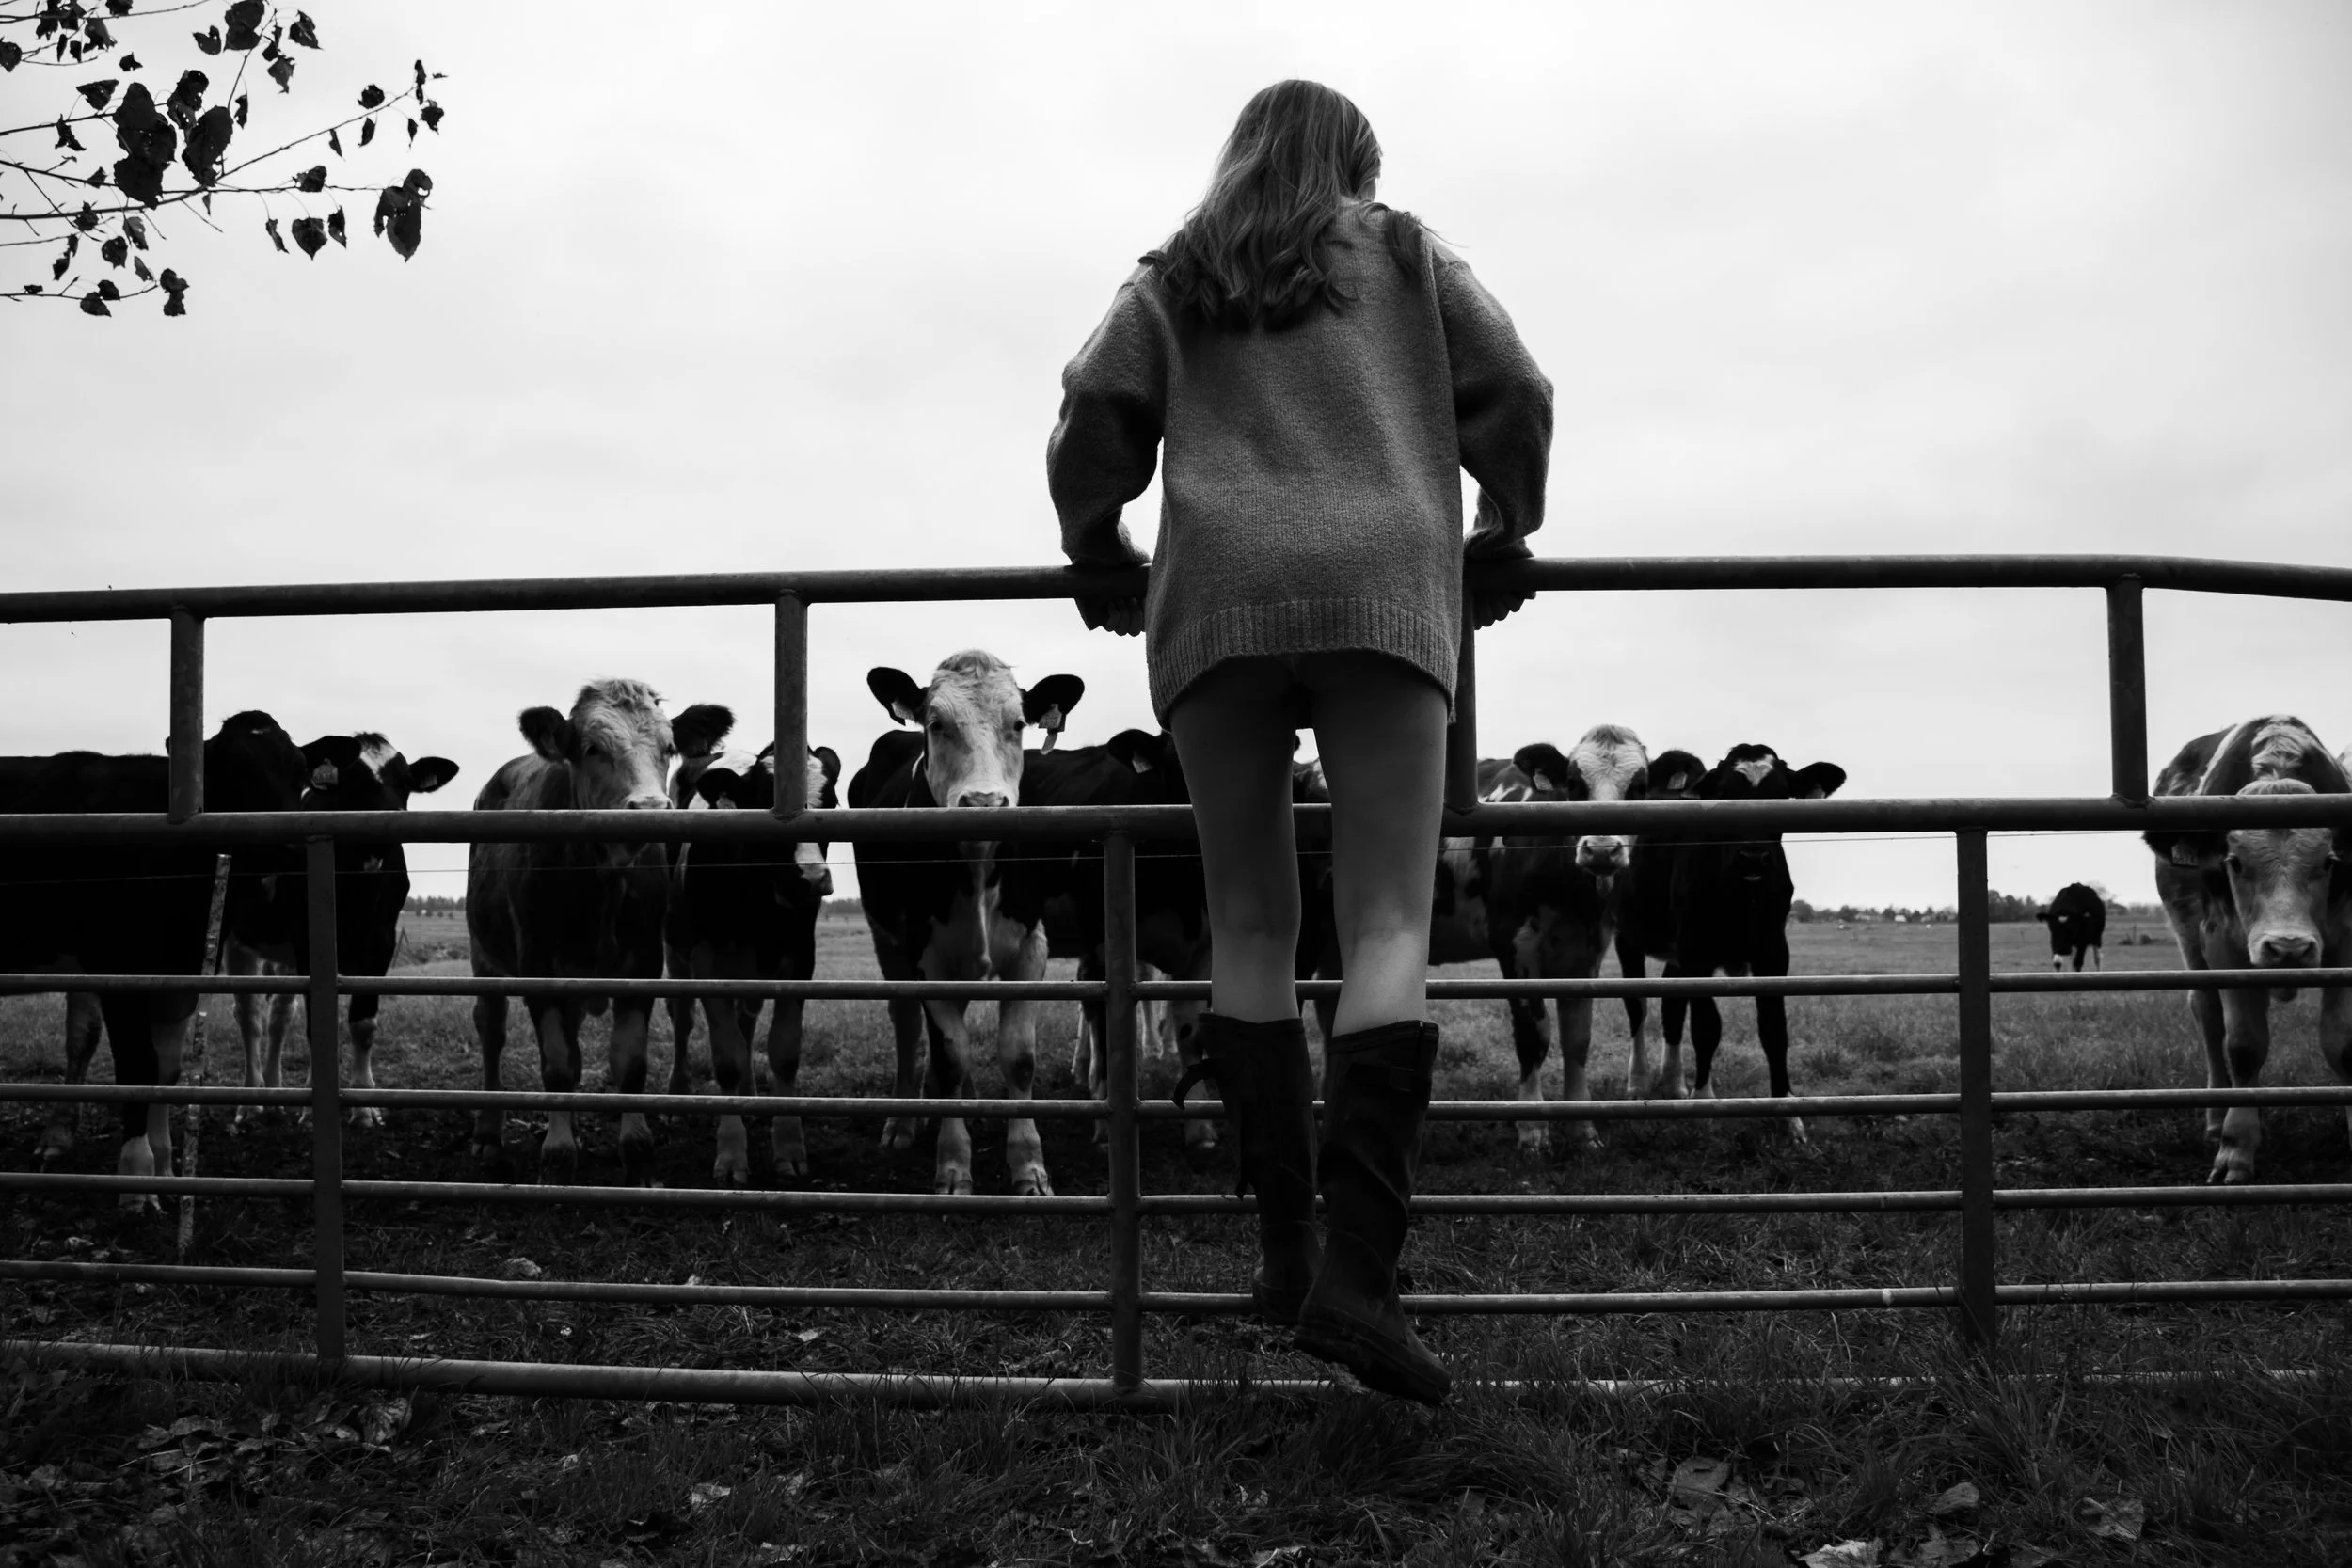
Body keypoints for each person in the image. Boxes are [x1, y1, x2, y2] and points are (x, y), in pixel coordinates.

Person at [1045, 79, 1552, 1405]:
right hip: (1385, 592)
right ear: (1355, 164)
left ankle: (1285, 1257)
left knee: (1251, 926)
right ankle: (1360, 1281)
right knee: (1386, 922)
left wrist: (1096, 545)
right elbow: (1518, 387)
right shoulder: (1402, 252)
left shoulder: (1180, 267)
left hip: (1215, 603)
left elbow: (1095, 406)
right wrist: (1508, 520)